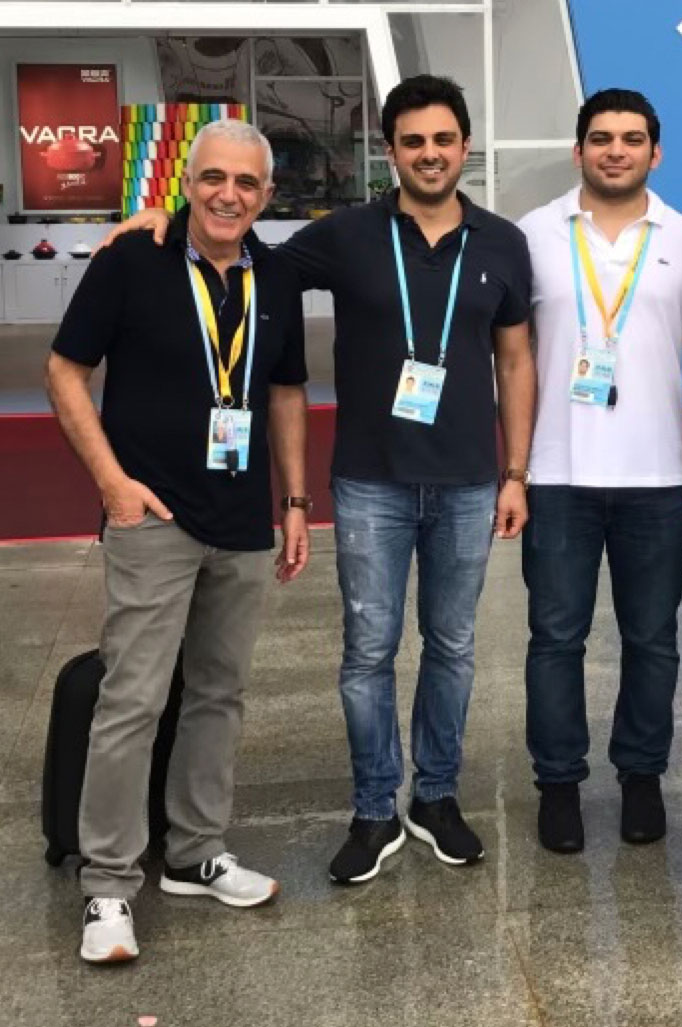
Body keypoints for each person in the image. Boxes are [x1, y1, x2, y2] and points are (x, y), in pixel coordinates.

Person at [103, 76, 536, 884]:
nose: (429, 154)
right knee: (368, 650)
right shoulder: (346, 235)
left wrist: (516, 471)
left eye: (443, 140)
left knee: (452, 645)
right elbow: (241, 251)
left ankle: (435, 796)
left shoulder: (503, 242)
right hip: (370, 481)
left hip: (470, 480)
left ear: (465, 147)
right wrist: (164, 219)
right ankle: (374, 807)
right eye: (412, 141)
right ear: (391, 150)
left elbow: (515, 360)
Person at [45, 119, 310, 962]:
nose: (229, 195)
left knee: (219, 693)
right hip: (151, 517)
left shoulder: (276, 275)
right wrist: (112, 483)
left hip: (242, 522)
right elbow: (64, 371)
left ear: (267, 194)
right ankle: (108, 882)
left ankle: (195, 851)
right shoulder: (134, 260)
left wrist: (293, 501)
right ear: (186, 184)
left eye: (247, 182)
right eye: (214, 178)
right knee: (132, 699)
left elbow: (285, 391)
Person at [517, 89, 682, 854]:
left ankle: (641, 775)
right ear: (578, 151)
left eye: (632, 139)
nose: (616, 150)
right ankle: (558, 783)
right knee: (554, 639)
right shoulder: (533, 235)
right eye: (601, 138)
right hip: (557, 474)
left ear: (655, 153)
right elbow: (508, 354)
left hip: (655, 478)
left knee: (654, 639)